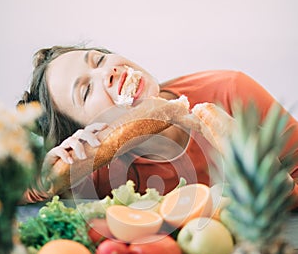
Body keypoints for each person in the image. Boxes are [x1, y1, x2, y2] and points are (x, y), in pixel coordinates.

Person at [18, 45, 298, 207]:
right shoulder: (95, 175)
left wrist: (272, 183)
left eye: (100, 60)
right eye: (86, 91)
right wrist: (41, 183)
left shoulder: (230, 91)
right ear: (83, 129)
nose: (108, 71)